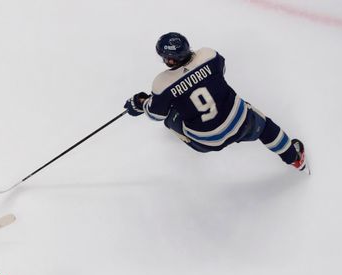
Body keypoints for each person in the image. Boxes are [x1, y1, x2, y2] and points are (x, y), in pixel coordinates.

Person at [124, 32, 307, 172]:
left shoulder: (162, 83)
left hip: (206, 141)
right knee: (266, 127)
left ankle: (183, 133)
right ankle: (294, 158)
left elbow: (156, 114)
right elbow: (221, 70)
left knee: (169, 116)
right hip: (239, 121)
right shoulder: (209, 55)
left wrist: (141, 103)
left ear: (170, 59)